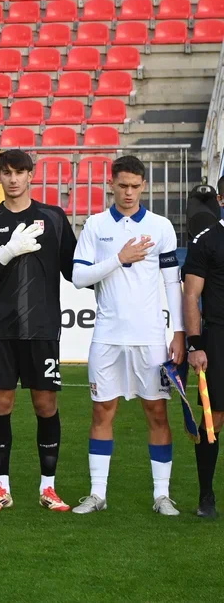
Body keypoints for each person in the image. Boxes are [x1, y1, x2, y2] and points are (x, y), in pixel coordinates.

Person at [71, 156, 184, 516]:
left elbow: (172, 283)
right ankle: (97, 494)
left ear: (144, 185)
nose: (129, 192)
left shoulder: (161, 226)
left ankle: (162, 495)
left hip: (150, 339)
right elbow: (78, 278)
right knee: (103, 411)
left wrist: (178, 332)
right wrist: (119, 258)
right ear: (112, 184)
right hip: (107, 336)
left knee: (156, 413)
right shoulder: (95, 225)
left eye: (136, 186)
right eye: (123, 186)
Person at [0, 149, 77, 512]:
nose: (13, 179)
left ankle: (48, 488)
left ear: (32, 175)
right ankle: (1, 489)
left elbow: (76, 271)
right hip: (1, 330)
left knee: (45, 406)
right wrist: (7, 251)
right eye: (6, 173)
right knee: (0, 405)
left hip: (43, 329)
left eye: (20, 172)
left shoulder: (54, 218)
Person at [183, 197, 224, 519]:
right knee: (215, 419)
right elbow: (192, 295)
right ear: (221, 200)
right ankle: (206, 496)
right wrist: (195, 345)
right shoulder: (207, 240)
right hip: (219, 337)